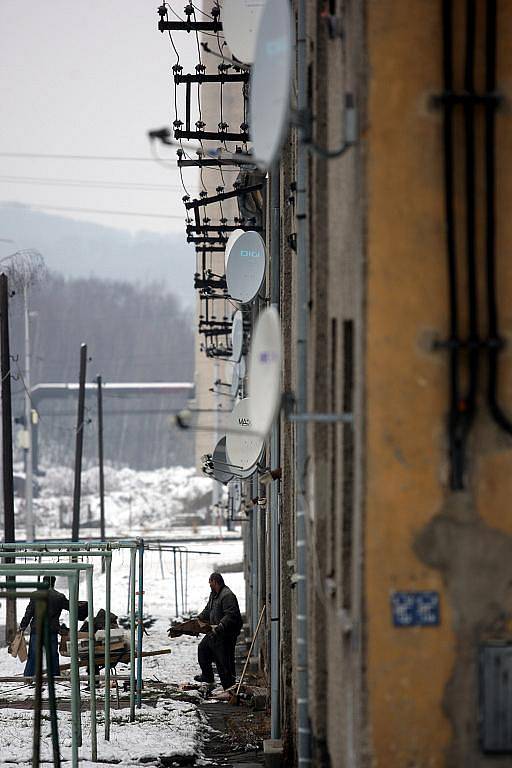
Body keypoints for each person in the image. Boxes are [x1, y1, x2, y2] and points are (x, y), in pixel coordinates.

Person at [194, 572, 243, 690]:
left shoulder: (227, 595)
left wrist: (220, 626)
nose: (209, 584)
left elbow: (231, 615)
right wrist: (199, 618)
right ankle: (208, 677)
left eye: (210, 582)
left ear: (215, 581)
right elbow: (208, 609)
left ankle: (229, 686)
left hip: (226, 633)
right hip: (214, 631)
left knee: (223, 660)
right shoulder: (214, 594)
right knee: (203, 649)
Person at [19, 576, 70, 677]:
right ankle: (54, 676)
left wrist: (22, 626)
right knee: (52, 656)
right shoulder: (59, 597)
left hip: (37, 630)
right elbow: (70, 607)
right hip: (51, 631)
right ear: (53, 583)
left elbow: (29, 612)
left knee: (33, 656)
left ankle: (29, 676)